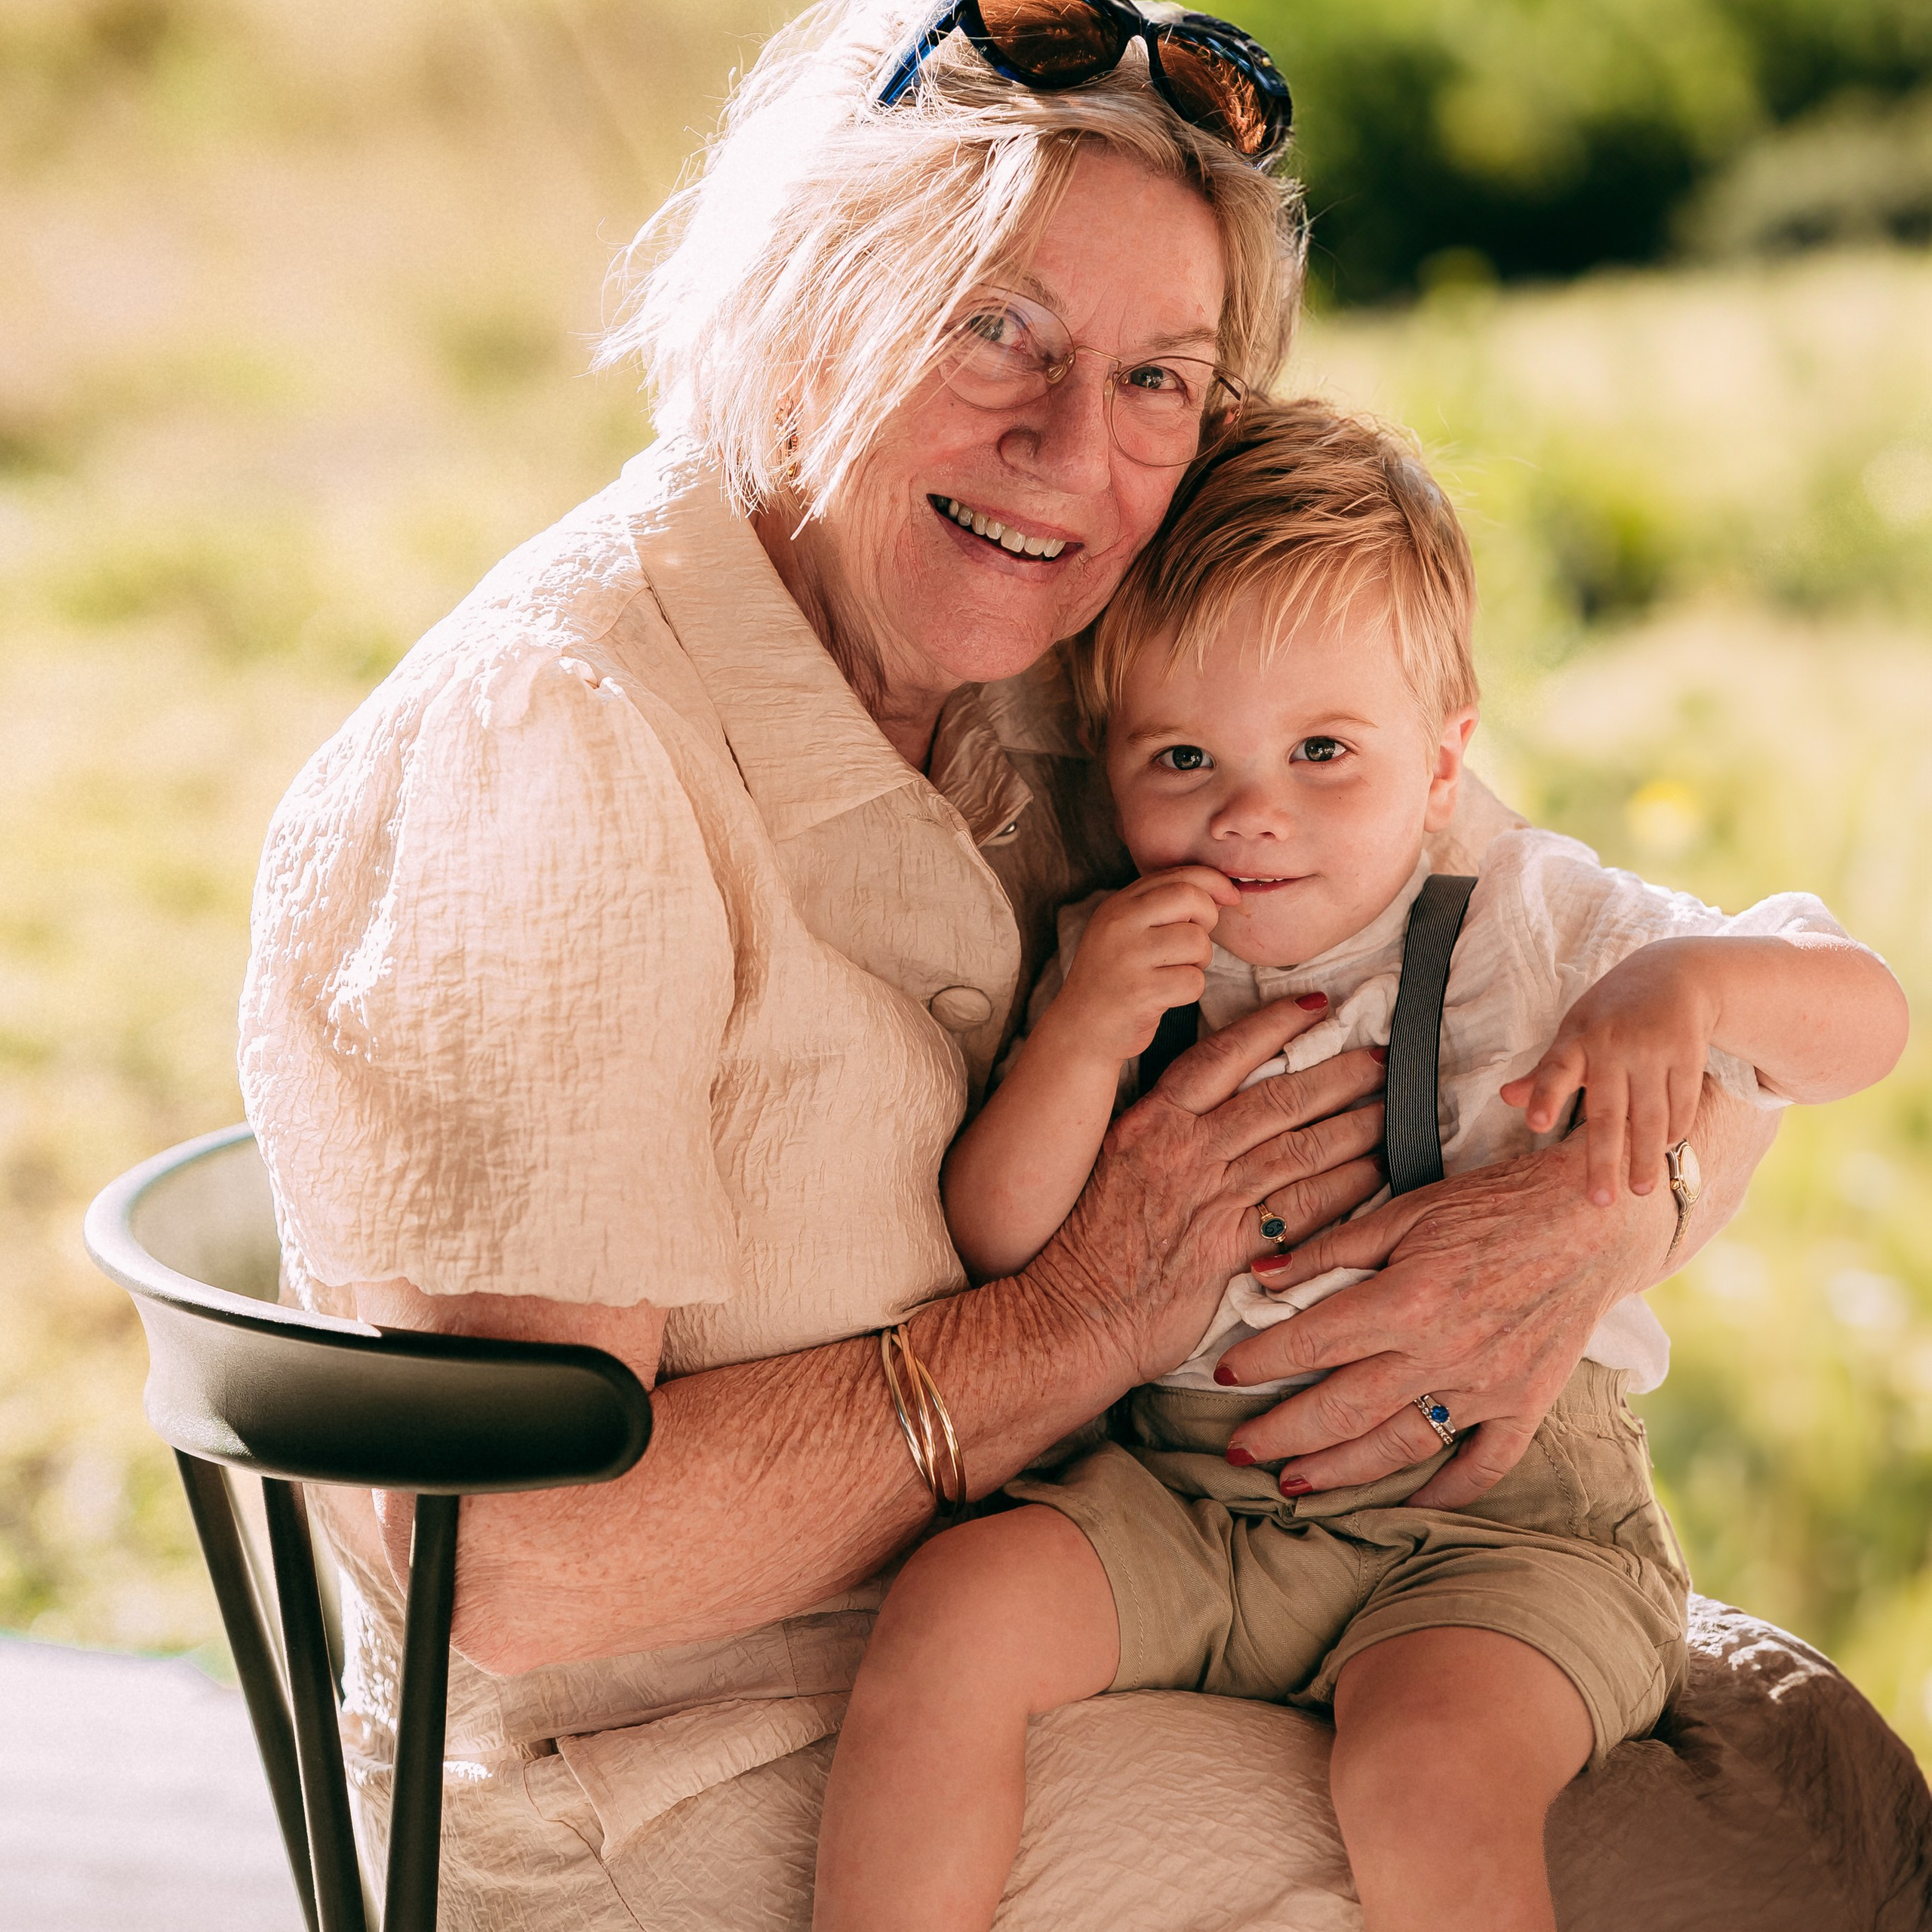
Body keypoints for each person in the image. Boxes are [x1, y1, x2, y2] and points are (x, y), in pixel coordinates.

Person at [237, 5, 1832, 1926]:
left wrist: (1579, 1214)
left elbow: (1542, 947)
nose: (1070, 450)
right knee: (1757, 1853)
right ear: (813, 308)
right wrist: (1071, 1321)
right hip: (689, 1759)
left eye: (1159, 376)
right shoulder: (567, 742)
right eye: (994, 327)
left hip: (1133, 1576)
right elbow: (514, 1553)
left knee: (1793, 1745)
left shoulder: (1079, 662)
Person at [812, 401, 1908, 1932]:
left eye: (1323, 751)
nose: (1248, 809)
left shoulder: (1533, 916)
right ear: (1110, 761)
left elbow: (1866, 1018)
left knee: (1427, 1776)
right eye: (1180, 756)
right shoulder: (1120, 952)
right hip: (1190, 1491)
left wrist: (1702, 990)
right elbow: (1002, 1234)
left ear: (1445, 754)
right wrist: (1077, 1036)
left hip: (1494, 1525)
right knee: (954, 1613)